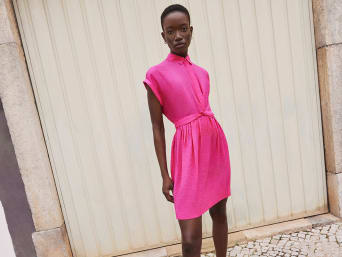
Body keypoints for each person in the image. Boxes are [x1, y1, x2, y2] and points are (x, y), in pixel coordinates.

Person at [142, 4, 231, 257]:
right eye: (170, 32)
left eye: (183, 29)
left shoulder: (202, 73)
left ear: (191, 31)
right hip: (187, 155)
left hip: (214, 148)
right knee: (190, 239)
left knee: (219, 213)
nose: (177, 36)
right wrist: (164, 174)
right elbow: (157, 128)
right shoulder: (155, 75)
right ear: (163, 36)